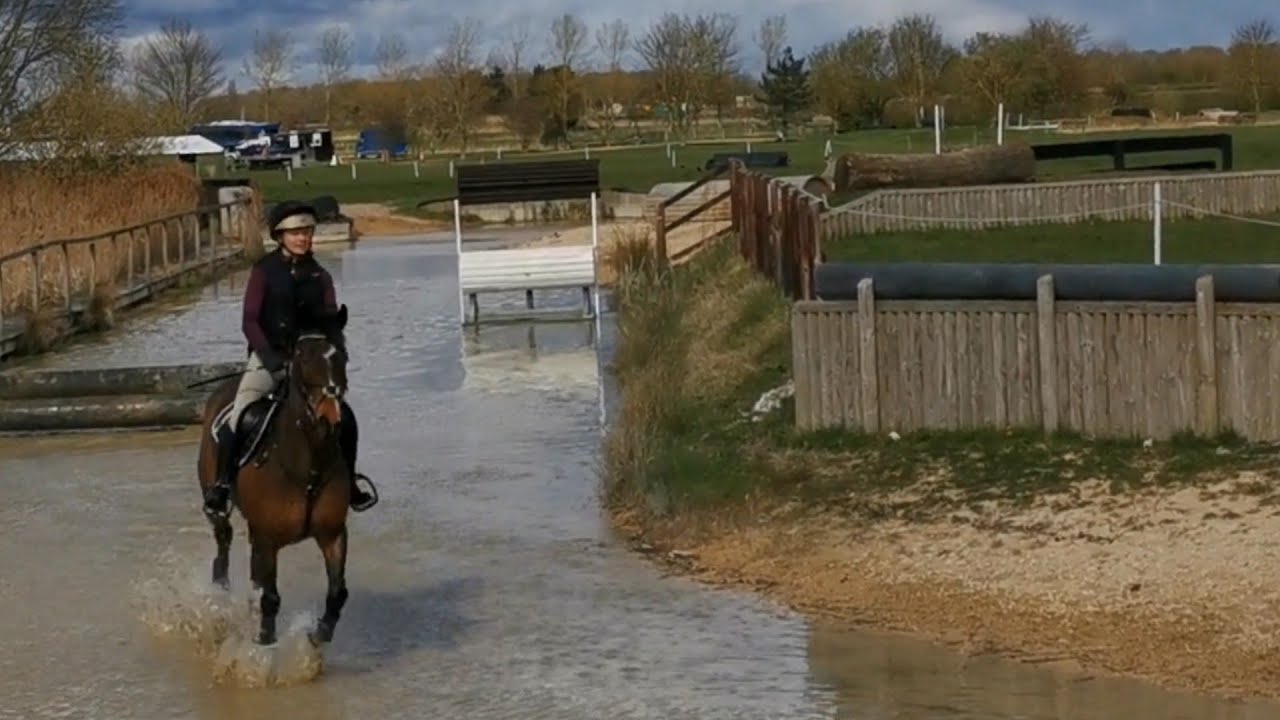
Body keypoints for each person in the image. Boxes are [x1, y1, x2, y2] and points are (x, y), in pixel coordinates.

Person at [202, 200, 377, 518]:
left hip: (311, 364)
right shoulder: (263, 272)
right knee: (237, 416)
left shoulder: (320, 276)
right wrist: (271, 361)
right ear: (280, 236)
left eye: (307, 232)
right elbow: (250, 322)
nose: (303, 238)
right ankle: (224, 485)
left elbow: (329, 325)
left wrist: (335, 357)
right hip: (270, 359)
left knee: (346, 418)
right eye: (296, 233)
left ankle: (349, 484)